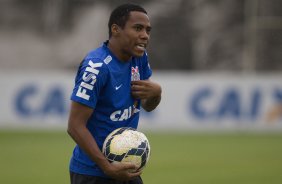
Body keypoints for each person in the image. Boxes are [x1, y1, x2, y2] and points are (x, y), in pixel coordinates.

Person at [67, 3, 162, 184]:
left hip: (126, 168)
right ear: (115, 30)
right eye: (138, 28)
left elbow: (148, 106)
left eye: (148, 30)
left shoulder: (139, 57)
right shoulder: (96, 67)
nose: (145, 35)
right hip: (92, 173)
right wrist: (107, 167)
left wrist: (156, 94)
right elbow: (75, 126)